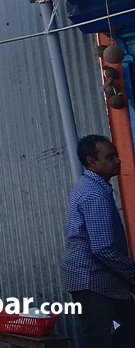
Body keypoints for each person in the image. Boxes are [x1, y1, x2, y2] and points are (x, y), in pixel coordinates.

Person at [64, 134, 135, 348]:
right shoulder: (94, 195)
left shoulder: (88, 186)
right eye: (110, 157)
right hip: (91, 280)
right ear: (91, 162)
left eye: (116, 155)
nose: (117, 161)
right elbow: (103, 248)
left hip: (101, 280)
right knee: (96, 340)